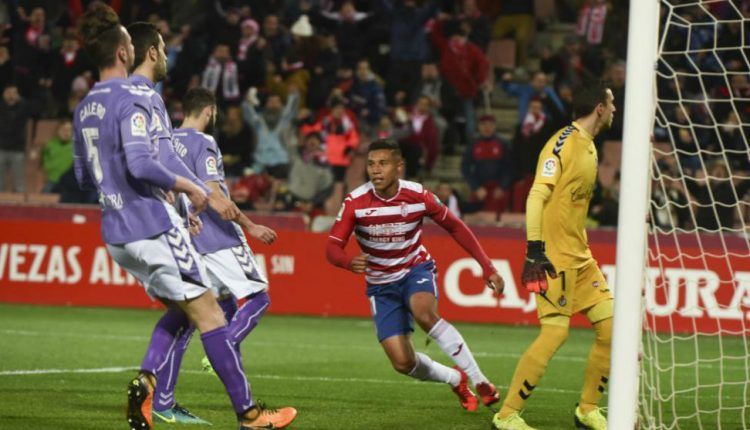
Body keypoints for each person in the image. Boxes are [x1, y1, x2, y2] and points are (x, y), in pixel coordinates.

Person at [72, 5, 295, 429]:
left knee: (182, 311)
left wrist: (168, 204)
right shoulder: (141, 97)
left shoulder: (85, 107)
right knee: (212, 313)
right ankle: (249, 416)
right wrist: (192, 191)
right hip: (150, 224)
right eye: (163, 48)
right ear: (142, 52)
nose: (167, 56)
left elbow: (85, 175)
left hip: (115, 231)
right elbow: (141, 163)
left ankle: (147, 384)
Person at [326, 138, 504, 413]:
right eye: (371, 164)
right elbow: (332, 248)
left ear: (399, 166)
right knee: (402, 363)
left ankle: (481, 381)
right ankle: (455, 378)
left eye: (383, 163)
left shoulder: (418, 195)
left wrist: (486, 265)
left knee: (423, 312)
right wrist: (348, 263)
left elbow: (456, 227)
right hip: (380, 286)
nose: (375, 170)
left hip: (414, 269)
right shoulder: (356, 202)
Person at [490, 81, 616, 430]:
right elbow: (535, 197)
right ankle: (506, 415)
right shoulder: (562, 144)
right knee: (555, 333)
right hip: (553, 257)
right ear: (599, 108)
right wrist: (534, 250)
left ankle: (587, 409)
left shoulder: (590, 146)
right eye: (612, 103)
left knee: (612, 328)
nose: (616, 109)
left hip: (581, 256)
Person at [162, 87, 279, 423]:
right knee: (258, 298)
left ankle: (165, 400)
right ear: (209, 111)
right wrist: (251, 225)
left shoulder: (165, 141)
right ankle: (222, 349)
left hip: (188, 236)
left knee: (193, 317)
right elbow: (214, 192)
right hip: (219, 235)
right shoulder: (204, 143)